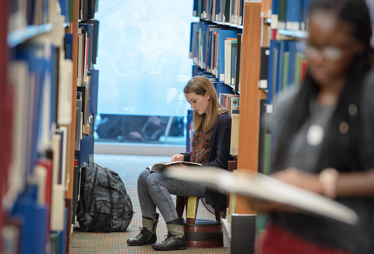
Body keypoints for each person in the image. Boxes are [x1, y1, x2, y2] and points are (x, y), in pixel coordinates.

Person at [246, 0, 374, 253]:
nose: (318, 59)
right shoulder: (288, 105)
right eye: (312, 47)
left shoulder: (368, 98)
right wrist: (262, 196)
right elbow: (278, 177)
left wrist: (322, 184)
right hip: (283, 239)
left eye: (332, 49)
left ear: (358, 46)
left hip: (343, 244)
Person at [126, 76, 232, 251]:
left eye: (194, 101)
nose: (192, 106)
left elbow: (220, 164)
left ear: (207, 95)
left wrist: (191, 170)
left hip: (208, 181)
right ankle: (148, 231)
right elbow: (201, 154)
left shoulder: (224, 122)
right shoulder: (203, 117)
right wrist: (184, 157)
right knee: (144, 175)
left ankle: (177, 235)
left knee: (154, 181)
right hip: (195, 174)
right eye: (190, 102)